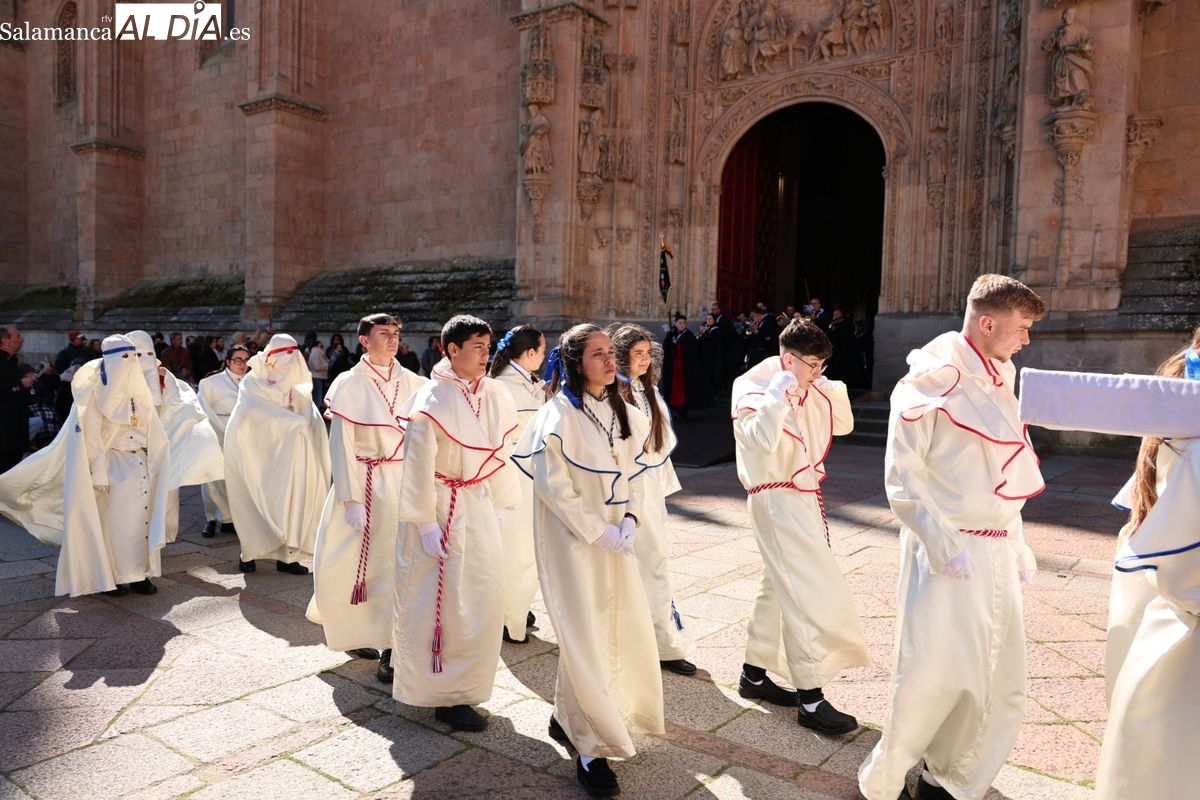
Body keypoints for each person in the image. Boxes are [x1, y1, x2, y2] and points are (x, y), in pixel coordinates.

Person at [857, 274, 1047, 800]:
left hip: (995, 546)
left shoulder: (1002, 376)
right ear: (986, 323)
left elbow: (1000, 472)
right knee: (932, 672)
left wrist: (1017, 541)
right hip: (949, 549)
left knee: (995, 675)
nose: (1026, 339)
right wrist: (943, 545)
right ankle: (884, 782)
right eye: (1021, 327)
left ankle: (950, 777)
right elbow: (903, 476)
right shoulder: (927, 381)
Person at [512, 324, 661, 798]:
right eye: (598, 354)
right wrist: (598, 531)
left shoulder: (622, 410)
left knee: (609, 627)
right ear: (576, 362)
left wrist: (631, 519)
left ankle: (566, 715)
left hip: (617, 538)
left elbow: (635, 473)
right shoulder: (557, 415)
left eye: (610, 351)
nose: (610, 360)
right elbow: (555, 489)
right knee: (584, 633)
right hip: (572, 542)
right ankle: (591, 748)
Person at [731, 318, 869, 735]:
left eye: (823, 365)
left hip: (802, 495)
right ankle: (810, 696)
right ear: (789, 360)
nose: (817, 371)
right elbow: (761, 441)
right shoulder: (753, 386)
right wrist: (777, 396)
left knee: (777, 585)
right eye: (813, 364)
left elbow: (843, 425)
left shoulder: (808, 384)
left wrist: (827, 387)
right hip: (775, 497)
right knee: (803, 589)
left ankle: (754, 674)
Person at [392, 315, 520, 732]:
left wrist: (501, 503)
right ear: (452, 349)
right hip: (441, 507)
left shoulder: (491, 393)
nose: (486, 354)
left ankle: (468, 686)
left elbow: (500, 455)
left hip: (476, 502)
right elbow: (416, 464)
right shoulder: (431, 399)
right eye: (478, 347)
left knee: (480, 597)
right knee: (444, 604)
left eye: (488, 346)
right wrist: (424, 523)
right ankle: (443, 694)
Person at [1095, 328, 1200, 800]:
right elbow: (1185, 568)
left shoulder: (1177, 421)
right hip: (1180, 614)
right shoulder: (1191, 446)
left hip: (1157, 593)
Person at [0, 335, 171, 597]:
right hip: (111, 464)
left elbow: (153, 427)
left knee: (141, 521)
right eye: (122, 357)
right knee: (114, 525)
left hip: (139, 463)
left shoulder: (140, 390)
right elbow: (91, 436)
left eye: (132, 357)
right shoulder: (94, 392)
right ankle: (112, 576)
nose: (128, 363)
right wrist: (98, 470)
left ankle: (139, 574)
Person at [308, 314, 428, 684]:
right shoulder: (349, 383)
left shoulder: (415, 382)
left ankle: (392, 647)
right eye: (383, 334)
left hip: (404, 483)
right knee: (347, 564)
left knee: (398, 565)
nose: (392, 339)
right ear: (364, 340)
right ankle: (357, 629)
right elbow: (341, 445)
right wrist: (350, 499)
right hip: (365, 482)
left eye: (396, 334)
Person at [611, 323, 696, 676]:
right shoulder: (610, 393)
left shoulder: (650, 391)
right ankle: (626, 642)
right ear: (621, 356)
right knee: (624, 566)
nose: (645, 360)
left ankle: (663, 644)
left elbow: (662, 439)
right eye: (638, 354)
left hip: (649, 486)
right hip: (622, 490)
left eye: (648, 353)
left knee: (655, 561)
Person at [224, 333, 331, 575]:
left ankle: (288, 557)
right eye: (285, 354)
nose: (290, 360)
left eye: (294, 354)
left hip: (293, 459)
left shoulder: (299, 386)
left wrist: (308, 430)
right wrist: (290, 423)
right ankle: (249, 553)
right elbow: (250, 413)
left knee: (291, 505)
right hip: (261, 456)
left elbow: (309, 415)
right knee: (257, 502)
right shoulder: (254, 381)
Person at [126, 330, 224, 544]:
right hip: (129, 448)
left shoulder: (164, 376)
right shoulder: (119, 378)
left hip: (162, 443)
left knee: (165, 493)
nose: (144, 360)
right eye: (138, 355)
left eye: (148, 354)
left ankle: (162, 535)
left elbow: (180, 404)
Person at [488, 324, 547, 645]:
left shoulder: (523, 382)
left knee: (522, 548)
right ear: (529, 353)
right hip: (515, 475)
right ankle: (510, 619)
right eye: (542, 350)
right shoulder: (506, 386)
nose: (544, 356)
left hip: (525, 473)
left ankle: (515, 609)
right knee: (518, 550)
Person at [196, 345, 250, 537]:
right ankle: (211, 518)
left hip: (243, 438)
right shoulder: (211, 382)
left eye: (246, 360)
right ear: (228, 361)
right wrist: (224, 431)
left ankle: (231, 519)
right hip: (217, 434)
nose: (242, 364)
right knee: (213, 479)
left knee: (237, 480)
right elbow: (204, 409)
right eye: (237, 360)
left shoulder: (253, 383)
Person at [660, 314, 711, 419]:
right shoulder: (675, 334)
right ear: (675, 324)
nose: (682, 325)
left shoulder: (688, 335)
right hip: (676, 368)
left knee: (684, 390)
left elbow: (691, 352)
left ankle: (683, 411)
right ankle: (679, 409)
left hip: (685, 368)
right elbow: (667, 347)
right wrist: (669, 336)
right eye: (679, 323)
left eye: (684, 323)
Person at [0, 326, 26, 472]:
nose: (22, 339)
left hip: (15, 427)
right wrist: (19, 385)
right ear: (6, 341)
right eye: (18, 336)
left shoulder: (12, 361)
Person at [308, 340, 329, 409]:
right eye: (321, 346)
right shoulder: (315, 354)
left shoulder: (319, 354)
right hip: (317, 378)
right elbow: (317, 367)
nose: (322, 347)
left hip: (320, 377)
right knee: (317, 398)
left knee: (319, 397)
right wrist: (326, 365)